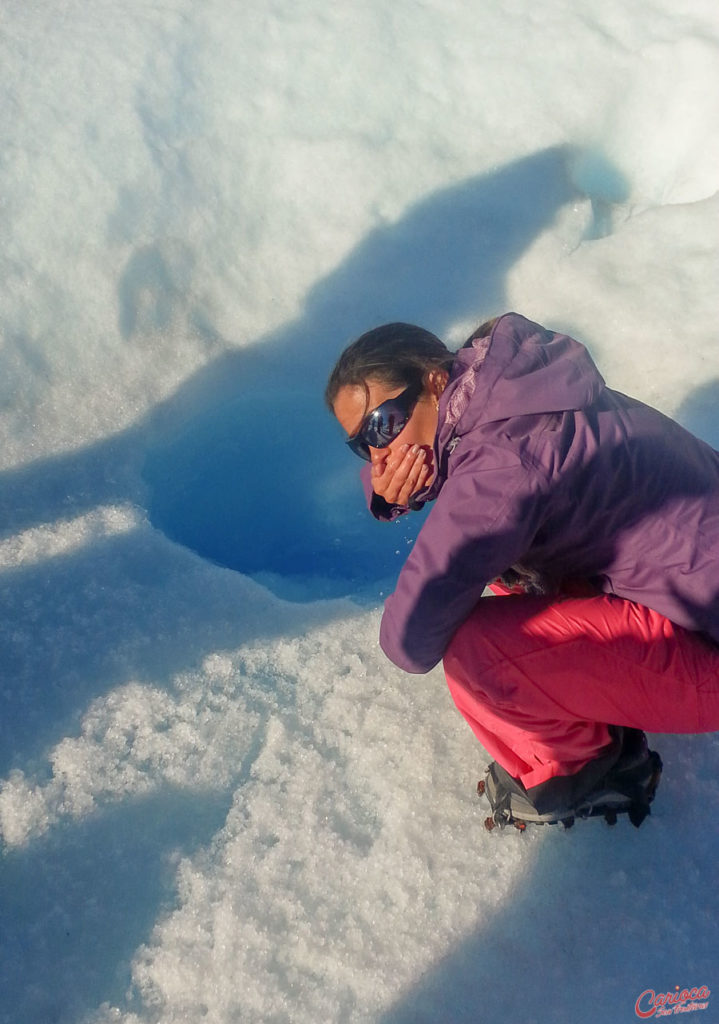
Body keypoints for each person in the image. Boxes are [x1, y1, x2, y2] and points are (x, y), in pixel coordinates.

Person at [326, 312, 719, 829]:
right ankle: (596, 713)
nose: (379, 455)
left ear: (435, 380)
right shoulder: (515, 390)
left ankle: (589, 769)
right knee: (508, 569)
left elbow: (409, 642)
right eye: (363, 444)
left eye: (383, 425)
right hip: (688, 590)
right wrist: (396, 489)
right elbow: (472, 494)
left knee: (476, 651)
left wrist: (411, 494)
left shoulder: (503, 465)